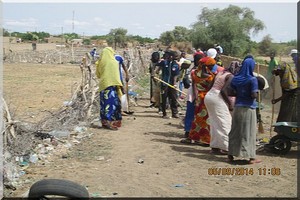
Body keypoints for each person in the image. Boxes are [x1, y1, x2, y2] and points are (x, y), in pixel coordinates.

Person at [227, 56, 261, 164]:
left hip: (237, 107)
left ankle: (230, 155)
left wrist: (240, 94)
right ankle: (251, 157)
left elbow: (230, 92)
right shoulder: (252, 79)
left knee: (235, 131)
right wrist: (257, 92)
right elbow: (254, 95)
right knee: (248, 132)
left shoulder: (236, 78)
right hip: (248, 108)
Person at [204, 61, 240, 154]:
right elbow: (223, 91)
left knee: (214, 122)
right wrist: (230, 104)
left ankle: (215, 147)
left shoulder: (220, 72)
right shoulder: (230, 76)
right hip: (217, 97)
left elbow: (209, 86)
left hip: (209, 96)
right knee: (225, 122)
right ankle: (226, 147)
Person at [180, 57, 216, 145]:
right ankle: (205, 139)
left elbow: (193, 86)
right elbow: (211, 88)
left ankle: (193, 137)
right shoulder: (210, 76)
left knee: (196, 119)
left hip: (197, 98)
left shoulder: (194, 73)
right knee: (206, 120)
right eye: (211, 66)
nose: (212, 67)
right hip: (205, 98)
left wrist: (195, 98)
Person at [95, 47, 123, 130]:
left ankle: (104, 122)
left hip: (103, 86)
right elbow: (116, 75)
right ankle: (111, 123)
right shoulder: (114, 62)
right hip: (112, 86)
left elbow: (98, 74)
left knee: (104, 105)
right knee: (112, 105)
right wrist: (120, 86)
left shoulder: (100, 62)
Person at [271, 49, 299, 126]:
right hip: (288, 100)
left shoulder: (289, 82)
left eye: (279, 72)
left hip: (292, 102)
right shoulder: (285, 77)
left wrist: (276, 100)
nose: (279, 74)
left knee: (288, 115)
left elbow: (287, 94)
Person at [155, 50, 180, 119]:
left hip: (172, 84)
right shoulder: (164, 62)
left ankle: (174, 113)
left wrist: (174, 84)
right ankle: (164, 113)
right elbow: (156, 64)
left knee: (173, 98)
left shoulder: (176, 64)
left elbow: (175, 75)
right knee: (164, 99)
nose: (167, 56)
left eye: (168, 55)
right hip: (164, 84)